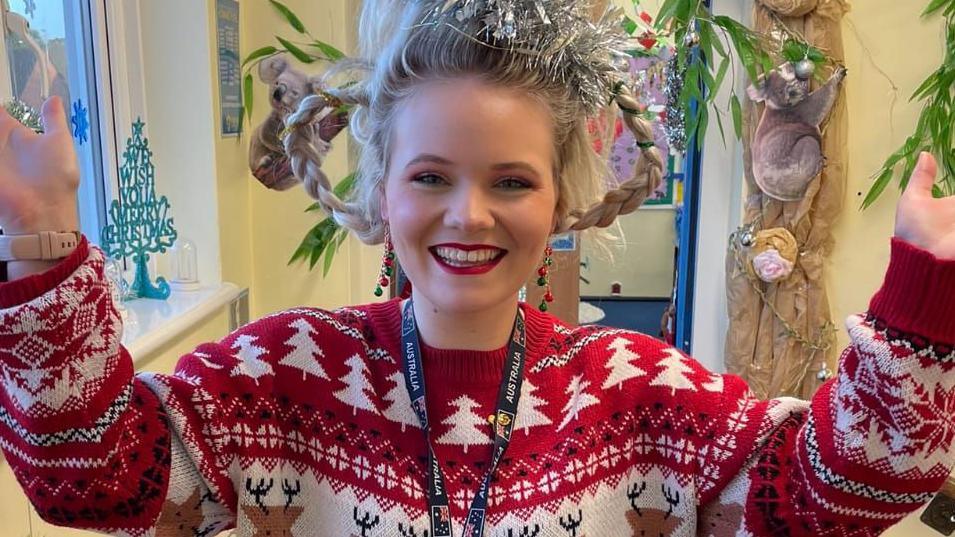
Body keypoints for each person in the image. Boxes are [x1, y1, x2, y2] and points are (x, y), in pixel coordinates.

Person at [0, 1, 953, 536]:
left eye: (510, 179)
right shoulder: (271, 379)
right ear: (382, 189)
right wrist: (39, 242)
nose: (469, 213)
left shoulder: (644, 396)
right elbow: (90, 477)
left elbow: (841, 491)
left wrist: (927, 286)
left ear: (558, 200)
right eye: (430, 176)